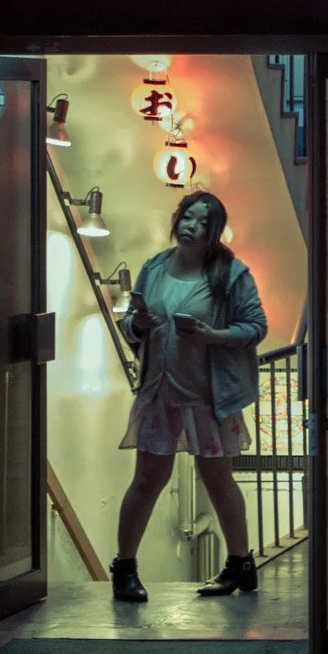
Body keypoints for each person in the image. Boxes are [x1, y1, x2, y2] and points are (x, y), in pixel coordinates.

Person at [108, 191, 268, 602]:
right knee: (147, 479)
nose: (189, 226)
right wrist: (139, 325)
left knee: (216, 477)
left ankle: (239, 565)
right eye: (186, 217)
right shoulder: (155, 268)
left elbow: (256, 327)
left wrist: (214, 336)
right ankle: (124, 569)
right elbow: (131, 325)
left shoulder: (231, 274)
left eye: (200, 221)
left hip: (209, 395)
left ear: (214, 232)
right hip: (160, 391)